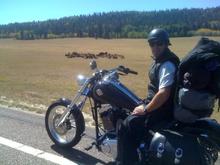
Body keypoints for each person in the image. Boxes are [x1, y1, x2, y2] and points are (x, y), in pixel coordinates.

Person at [109, 28, 180, 165]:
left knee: (127, 125)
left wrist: (146, 109)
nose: (155, 47)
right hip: (159, 106)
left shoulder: (167, 64)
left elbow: (164, 93)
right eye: (152, 44)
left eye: (159, 43)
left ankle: (125, 162)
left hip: (162, 110)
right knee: (128, 110)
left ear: (166, 44)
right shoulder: (161, 60)